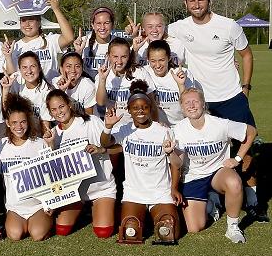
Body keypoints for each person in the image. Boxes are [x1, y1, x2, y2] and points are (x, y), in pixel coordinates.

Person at [167, 0, 264, 220]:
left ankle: (252, 196)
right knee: (205, 148)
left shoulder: (228, 26)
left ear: (209, 0)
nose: (197, 5)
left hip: (231, 96)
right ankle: (212, 195)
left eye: (201, 0)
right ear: (185, 3)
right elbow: (158, 31)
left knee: (244, 146)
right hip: (202, 102)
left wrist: (246, 87)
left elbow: (247, 54)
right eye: (192, 1)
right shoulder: (180, 27)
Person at [100, 80, 182, 244]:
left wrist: (174, 188)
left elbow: (175, 164)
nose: (140, 111)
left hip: (160, 191)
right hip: (134, 192)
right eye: (136, 108)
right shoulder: (125, 130)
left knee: (168, 229)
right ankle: (142, 217)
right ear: (129, 110)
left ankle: (156, 216)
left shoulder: (164, 131)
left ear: (150, 108)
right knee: (130, 229)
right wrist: (108, 127)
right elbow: (105, 143)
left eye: (144, 107)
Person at [172, 88, 256, 242]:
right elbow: (177, 162)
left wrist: (237, 158)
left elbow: (251, 131)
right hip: (193, 176)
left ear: (203, 104)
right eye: (187, 103)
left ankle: (233, 227)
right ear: (182, 108)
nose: (191, 105)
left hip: (218, 173)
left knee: (234, 182)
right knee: (194, 228)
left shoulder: (220, 124)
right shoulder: (177, 130)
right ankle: (213, 204)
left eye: (195, 101)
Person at [46, 90, 116, 238]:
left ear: (69, 105)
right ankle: (82, 207)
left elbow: (111, 144)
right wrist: (51, 145)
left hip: (101, 187)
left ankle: (108, 207)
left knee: (103, 232)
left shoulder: (90, 121)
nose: (59, 112)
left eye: (61, 106)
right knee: (61, 230)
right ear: (50, 113)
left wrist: (100, 149)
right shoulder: (53, 134)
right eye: (54, 109)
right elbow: (53, 170)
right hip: (74, 192)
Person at [0, 95, 51, 241]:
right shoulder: (0, 145)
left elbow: (50, 176)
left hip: (37, 204)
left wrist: (49, 203)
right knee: (15, 235)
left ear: (28, 122)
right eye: (14, 122)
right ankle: (22, 223)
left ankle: (40, 221)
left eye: (22, 122)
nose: (19, 127)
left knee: (38, 234)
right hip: (15, 207)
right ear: (7, 123)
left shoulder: (39, 143)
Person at [9, 0, 76, 81]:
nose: (27, 24)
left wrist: (56, 9)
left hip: (50, 91)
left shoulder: (50, 40)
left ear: (39, 22)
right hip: (26, 92)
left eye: (31, 20)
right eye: (23, 20)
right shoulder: (15, 47)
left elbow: (69, 37)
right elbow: (12, 74)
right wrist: (8, 57)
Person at [95, 37, 156, 124]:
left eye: (124, 57)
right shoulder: (101, 75)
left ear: (129, 56)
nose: (119, 61)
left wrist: (154, 125)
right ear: (108, 56)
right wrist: (102, 80)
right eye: (115, 56)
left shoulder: (140, 72)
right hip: (114, 127)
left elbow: (152, 104)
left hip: (137, 126)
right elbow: (101, 102)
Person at [144, 40, 194, 126]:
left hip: (180, 125)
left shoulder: (183, 73)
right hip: (156, 126)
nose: (158, 65)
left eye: (162, 60)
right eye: (153, 61)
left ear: (169, 58)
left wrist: (181, 85)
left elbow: (190, 104)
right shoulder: (144, 73)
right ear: (148, 60)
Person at [1, 51, 53, 130]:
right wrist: (6, 89)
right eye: (24, 67)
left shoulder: (47, 90)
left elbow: (45, 123)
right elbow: (6, 110)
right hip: (19, 132)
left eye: (33, 66)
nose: (29, 71)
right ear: (20, 70)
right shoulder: (16, 81)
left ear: (39, 68)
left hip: (37, 135)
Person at [73, 7, 115, 78]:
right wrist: (78, 52)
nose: (102, 27)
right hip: (88, 86)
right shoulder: (84, 42)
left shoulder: (118, 43)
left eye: (106, 23)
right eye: (98, 23)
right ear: (93, 25)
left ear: (112, 25)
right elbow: (72, 69)